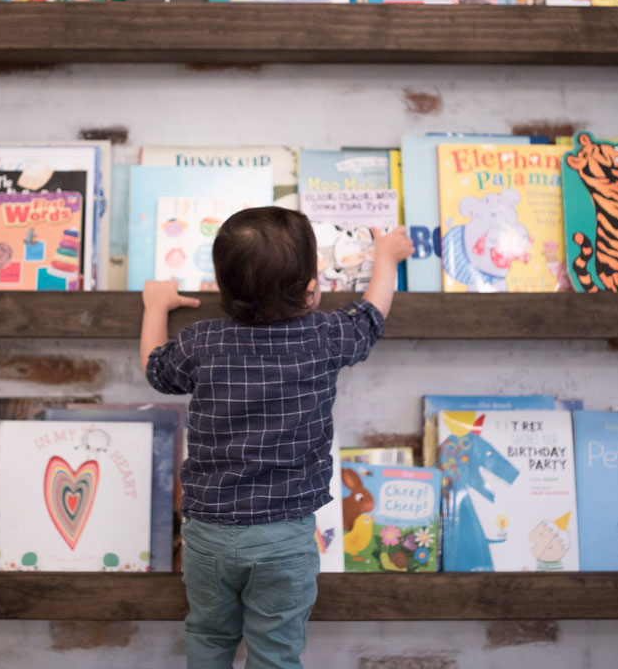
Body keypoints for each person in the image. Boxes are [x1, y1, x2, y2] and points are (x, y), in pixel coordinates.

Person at [140, 206, 414, 669]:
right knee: (276, 652)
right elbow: (371, 317)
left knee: (207, 633)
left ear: (223, 288)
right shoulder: (324, 336)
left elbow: (156, 370)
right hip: (283, 538)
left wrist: (154, 306)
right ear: (310, 289)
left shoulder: (200, 343)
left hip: (207, 534)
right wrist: (385, 257)